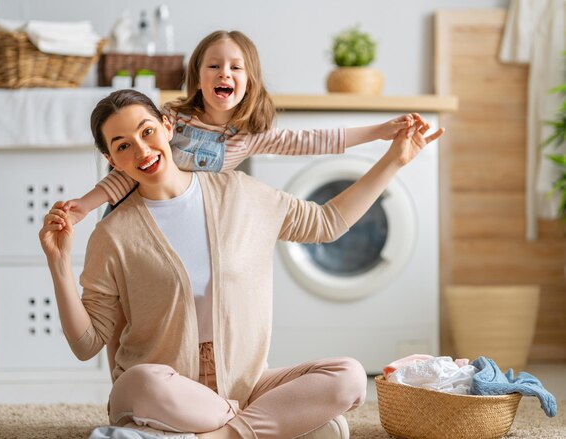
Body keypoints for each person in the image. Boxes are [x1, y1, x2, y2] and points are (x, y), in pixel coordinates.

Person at [39, 89, 444, 439]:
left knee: (351, 376)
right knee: (141, 382)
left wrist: (395, 159)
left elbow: (327, 222)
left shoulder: (241, 193)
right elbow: (87, 344)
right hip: (163, 390)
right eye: (122, 145)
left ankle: (215, 433)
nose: (142, 150)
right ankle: (277, 425)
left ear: (167, 126)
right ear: (111, 160)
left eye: (146, 131)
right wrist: (59, 266)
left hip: (247, 385)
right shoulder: (112, 236)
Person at [63, 30, 420, 223]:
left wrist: (381, 130)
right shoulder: (173, 118)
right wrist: (85, 204)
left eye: (236, 67)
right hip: (135, 212)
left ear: (250, 80)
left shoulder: (249, 137)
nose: (225, 73)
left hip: (187, 219)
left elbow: (315, 140)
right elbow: (131, 170)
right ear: (198, 79)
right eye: (214, 66)